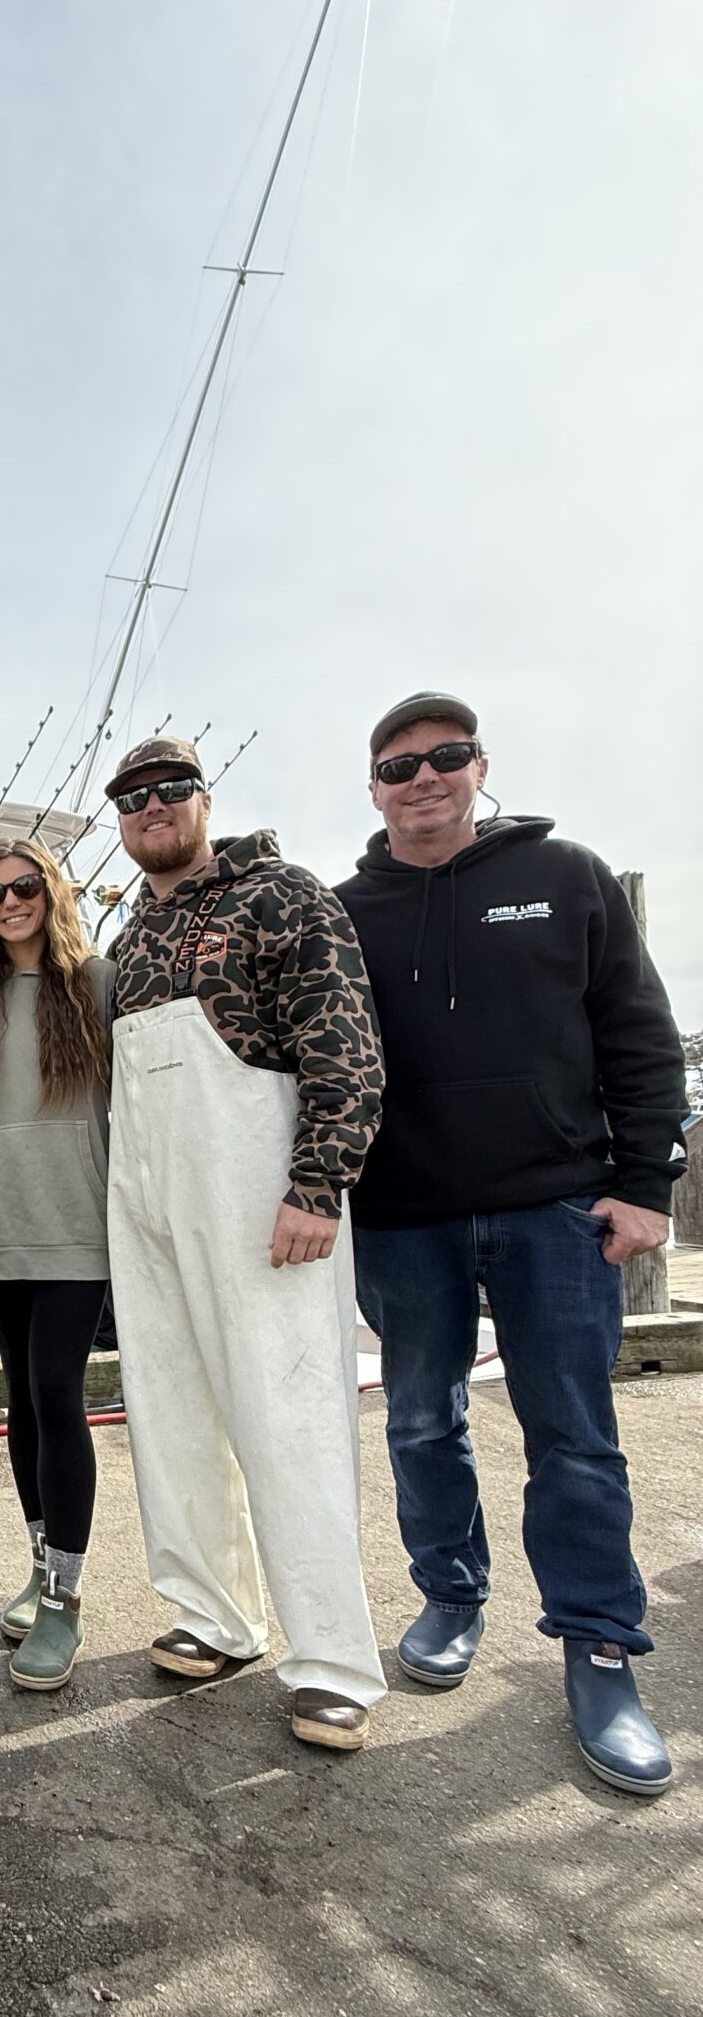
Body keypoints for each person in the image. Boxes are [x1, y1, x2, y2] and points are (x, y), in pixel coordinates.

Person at [339, 692, 688, 1797]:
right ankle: (450, 1591)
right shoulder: (346, 911)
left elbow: (637, 1032)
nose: (422, 778)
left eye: (444, 758)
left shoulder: (567, 876)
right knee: (418, 1418)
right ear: (375, 788)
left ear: (480, 768)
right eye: (399, 766)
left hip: (555, 1212)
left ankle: (598, 1648)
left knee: (576, 1438)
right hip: (407, 1217)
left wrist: (646, 1189)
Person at [104, 735, 388, 1751]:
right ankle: (216, 1614)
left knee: (289, 1416)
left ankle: (332, 1662)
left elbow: (344, 1048)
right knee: (172, 1409)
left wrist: (318, 1184)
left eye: (170, 789)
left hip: (259, 1193)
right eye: (132, 796)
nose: (152, 806)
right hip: (147, 1197)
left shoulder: (286, 896)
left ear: (204, 799)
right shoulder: (129, 937)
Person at [0, 840, 114, 1691]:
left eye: (25, 887)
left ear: (51, 891)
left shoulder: (98, 986)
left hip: (77, 1228)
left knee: (54, 1393)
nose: (11, 903)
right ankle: (41, 1571)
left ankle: (65, 1600)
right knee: (21, 1404)